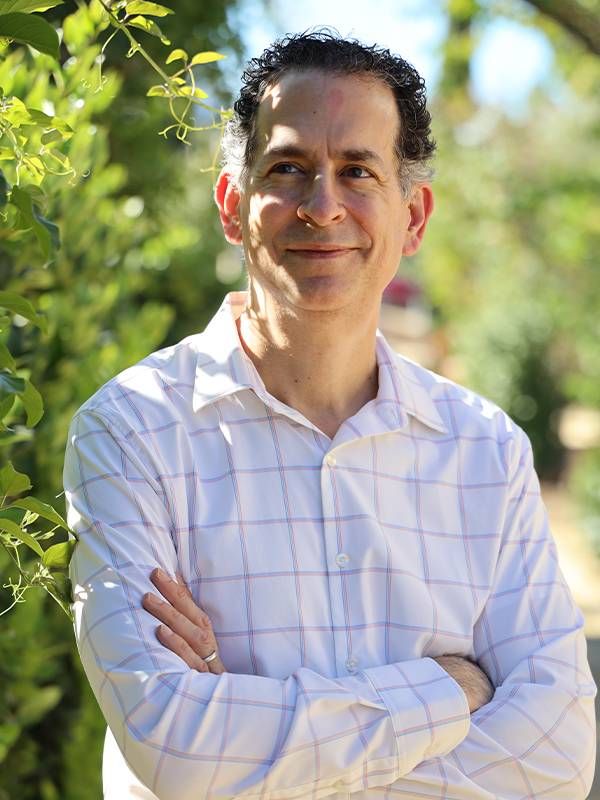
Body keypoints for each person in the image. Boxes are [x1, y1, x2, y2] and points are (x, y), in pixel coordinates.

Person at [64, 30, 597, 800]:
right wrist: (452, 691)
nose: (322, 206)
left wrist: (251, 749)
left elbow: (558, 758)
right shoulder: (131, 430)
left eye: (357, 171)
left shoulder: (486, 451)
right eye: (288, 168)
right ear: (232, 205)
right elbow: (174, 744)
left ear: (412, 216)